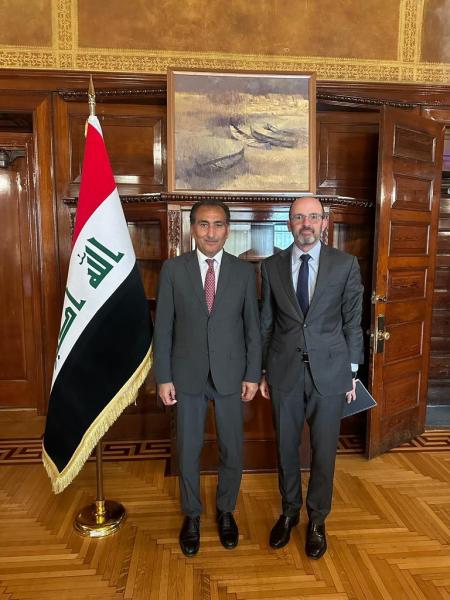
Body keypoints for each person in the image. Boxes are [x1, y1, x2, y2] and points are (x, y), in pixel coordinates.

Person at [154, 198, 261, 557]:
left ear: (227, 230)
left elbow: (252, 329)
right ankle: (192, 515)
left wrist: (252, 373)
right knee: (188, 449)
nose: (211, 232)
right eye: (203, 224)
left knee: (232, 448)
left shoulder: (244, 272)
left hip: (232, 375)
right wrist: (163, 377)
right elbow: (163, 328)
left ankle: (226, 510)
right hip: (186, 376)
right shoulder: (173, 269)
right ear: (192, 229)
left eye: (218, 225)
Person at [260, 196, 364, 559]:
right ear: (289, 223)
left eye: (313, 217)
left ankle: (317, 520)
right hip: (284, 371)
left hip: (331, 374)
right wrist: (262, 370)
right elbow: (266, 323)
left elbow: (353, 322)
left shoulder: (345, 264)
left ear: (324, 222)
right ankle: (289, 511)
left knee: (324, 451)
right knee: (286, 447)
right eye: (299, 217)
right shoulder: (271, 267)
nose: (306, 223)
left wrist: (352, 373)